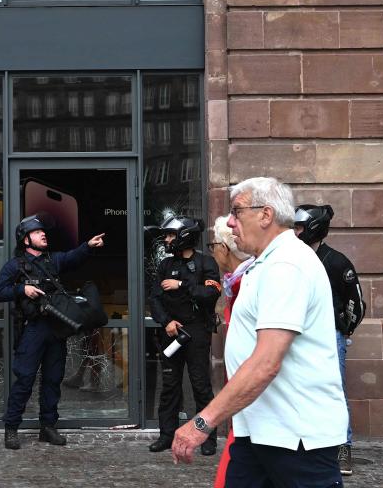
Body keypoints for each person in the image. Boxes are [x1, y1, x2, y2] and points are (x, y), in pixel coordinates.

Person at [172, 177, 348, 488]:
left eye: (236, 212)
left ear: (266, 215)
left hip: (297, 439)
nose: (230, 222)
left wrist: (203, 422)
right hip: (261, 432)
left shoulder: (287, 265)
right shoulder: (265, 263)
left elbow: (266, 362)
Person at [0, 214, 105, 450]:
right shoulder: (15, 265)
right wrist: (23, 289)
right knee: (24, 380)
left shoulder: (51, 260)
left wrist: (88, 246)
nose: (43, 234)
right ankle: (11, 428)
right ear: (25, 240)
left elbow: (72, 258)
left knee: (53, 380)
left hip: (56, 328)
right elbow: (0, 291)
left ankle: (48, 427)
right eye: (37, 232)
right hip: (33, 329)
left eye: (43, 232)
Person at [295, 203, 366, 476]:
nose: (296, 232)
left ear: (314, 228)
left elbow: (356, 302)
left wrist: (344, 329)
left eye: (300, 227)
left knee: (334, 391)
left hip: (329, 336)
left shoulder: (336, 262)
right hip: (296, 335)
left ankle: (342, 449)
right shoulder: (292, 259)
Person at [147, 216, 221, 456]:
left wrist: (181, 285)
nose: (167, 240)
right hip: (171, 333)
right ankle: (166, 435)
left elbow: (210, 293)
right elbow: (155, 299)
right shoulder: (165, 265)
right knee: (170, 386)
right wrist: (166, 321)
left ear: (184, 236)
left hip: (197, 331)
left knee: (200, 385)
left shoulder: (206, 263)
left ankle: (207, 438)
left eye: (171, 235)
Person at [208, 216, 254, 488]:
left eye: (213, 244)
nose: (212, 251)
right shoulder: (237, 284)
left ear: (224, 248)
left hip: (254, 407)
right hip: (247, 410)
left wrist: (203, 422)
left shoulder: (249, 283)